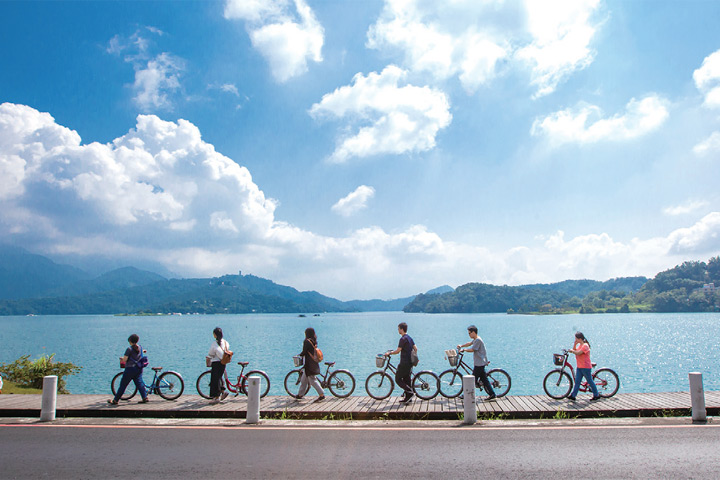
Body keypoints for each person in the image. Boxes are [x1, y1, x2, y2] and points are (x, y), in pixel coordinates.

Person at [457, 325, 496, 401]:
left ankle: (465, 395)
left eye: (469, 333)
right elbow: (469, 343)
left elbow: (473, 349)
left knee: (472, 379)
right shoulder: (476, 339)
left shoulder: (478, 340)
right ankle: (492, 394)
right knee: (484, 379)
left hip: (479, 363)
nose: (469, 335)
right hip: (479, 362)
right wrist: (461, 345)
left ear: (473, 332)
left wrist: (464, 350)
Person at [108, 333, 148, 404]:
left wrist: (121, 359)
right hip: (139, 368)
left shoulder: (129, 349)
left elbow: (125, 359)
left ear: (130, 341)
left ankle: (115, 400)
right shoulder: (140, 347)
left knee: (123, 385)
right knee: (139, 383)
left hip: (130, 369)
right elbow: (139, 352)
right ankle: (145, 397)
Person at [386, 322, 417, 403]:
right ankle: (408, 398)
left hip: (404, 362)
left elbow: (398, 351)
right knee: (407, 379)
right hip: (410, 362)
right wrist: (414, 357)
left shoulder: (402, 339)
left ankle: (410, 392)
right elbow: (415, 348)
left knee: (398, 379)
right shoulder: (409, 338)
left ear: (402, 329)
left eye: (398, 328)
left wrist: (389, 353)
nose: (398, 330)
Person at [568, 331, 600, 401]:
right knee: (577, 382)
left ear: (579, 338)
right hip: (579, 367)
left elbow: (579, 353)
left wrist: (572, 351)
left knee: (590, 381)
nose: (575, 339)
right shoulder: (580, 345)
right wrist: (574, 344)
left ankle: (596, 394)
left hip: (585, 367)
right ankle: (573, 395)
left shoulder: (585, 346)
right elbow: (575, 350)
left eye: (576, 338)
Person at [296, 327, 325, 402]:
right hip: (313, 362)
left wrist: (299, 355)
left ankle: (321, 394)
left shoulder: (307, 341)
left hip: (309, 364)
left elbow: (305, 351)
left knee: (312, 380)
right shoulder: (314, 341)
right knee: (304, 380)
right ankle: (300, 394)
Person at [208, 327, 230, 404]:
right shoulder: (225, 342)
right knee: (220, 378)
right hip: (223, 362)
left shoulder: (215, 343)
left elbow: (211, 353)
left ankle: (216, 397)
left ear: (215, 335)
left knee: (215, 380)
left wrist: (209, 357)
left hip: (216, 363)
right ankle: (223, 391)